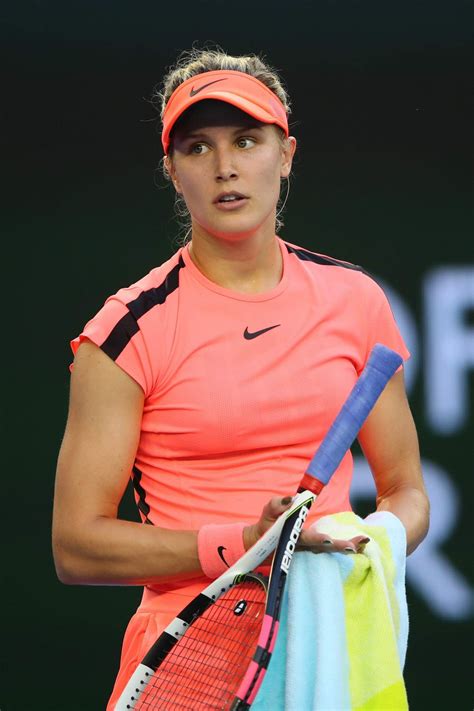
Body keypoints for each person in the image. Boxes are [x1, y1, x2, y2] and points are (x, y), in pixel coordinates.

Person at [52, 48, 430, 709]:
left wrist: (366, 543)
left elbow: (406, 492)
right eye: (198, 148)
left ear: (285, 155)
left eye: (248, 141)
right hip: (189, 648)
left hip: (329, 642)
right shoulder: (123, 333)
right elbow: (76, 544)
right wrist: (241, 544)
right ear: (172, 171)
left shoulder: (357, 302)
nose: (225, 167)